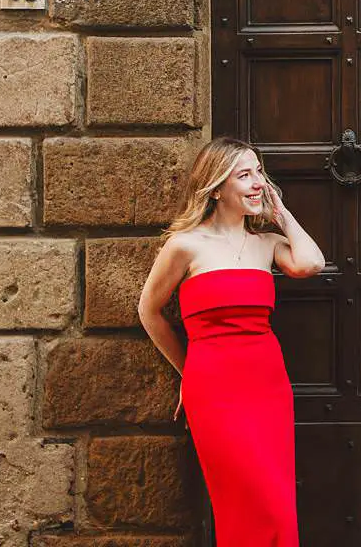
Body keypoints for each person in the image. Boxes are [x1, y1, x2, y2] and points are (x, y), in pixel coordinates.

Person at [138, 137, 326, 547]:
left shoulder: (267, 244)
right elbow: (149, 311)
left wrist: (282, 213)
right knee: (240, 501)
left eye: (259, 172)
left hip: (268, 386)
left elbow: (312, 263)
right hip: (214, 390)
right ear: (217, 186)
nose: (258, 182)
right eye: (245, 175)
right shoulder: (185, 245)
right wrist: (188, 373)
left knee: (276, 503)